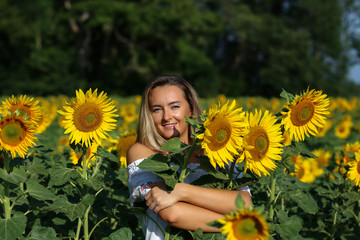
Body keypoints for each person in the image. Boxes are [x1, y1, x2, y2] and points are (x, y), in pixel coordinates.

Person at [126, 75, 252, 240]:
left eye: (175, 106)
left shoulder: (216, 151)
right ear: (148, 114)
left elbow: (245, 204)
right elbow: (172, 213)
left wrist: (181, 191)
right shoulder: (144, 153)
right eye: (157, 109)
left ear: (191, 108)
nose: (166, 117)